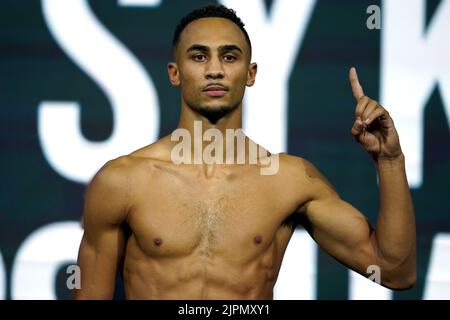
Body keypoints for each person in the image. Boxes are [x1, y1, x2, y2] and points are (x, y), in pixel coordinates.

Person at [73, 4, 416, 300]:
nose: (215, 69)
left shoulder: (289, 180)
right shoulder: (123, 181)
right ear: (174, 73)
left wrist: (389, 161)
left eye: (230, 56)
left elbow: (393, 271)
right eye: (198, 56)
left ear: (250, 73)